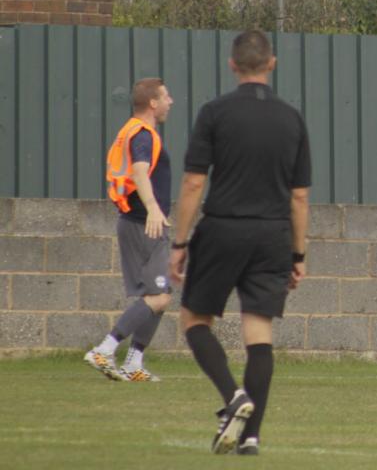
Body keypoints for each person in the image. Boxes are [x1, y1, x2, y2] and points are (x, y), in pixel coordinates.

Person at [169, 30, 312, 455]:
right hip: (273, 235)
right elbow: (299, 197)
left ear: (232, 65)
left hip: (223, 230)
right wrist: (298, 254)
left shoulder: (214, 113)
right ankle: (251, 438)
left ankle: (233, 397)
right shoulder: (292, 119)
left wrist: (179, 243)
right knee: (259, 334)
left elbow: (194, 182)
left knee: (194, 320)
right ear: (272, 64)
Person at [86, 78, 175, 382]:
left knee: (159, 295)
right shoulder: (143, 134)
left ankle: (134, 362)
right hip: (144, 223)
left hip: (136, 221)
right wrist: (153, 208)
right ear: (153, 102)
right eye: (166, 97)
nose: (170, 102)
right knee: (159, 297)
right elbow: (139, 171)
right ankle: (104, 349)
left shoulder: (131, 131)